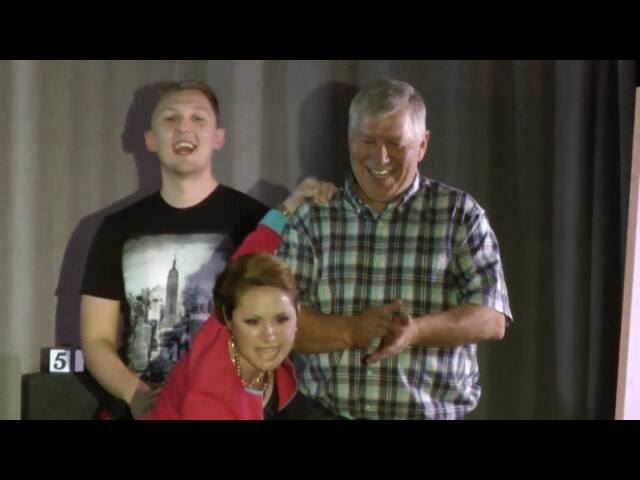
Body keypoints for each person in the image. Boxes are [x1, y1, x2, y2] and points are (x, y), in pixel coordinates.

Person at [277, 78, 513, 420]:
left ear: (423, 144)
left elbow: (491, 318)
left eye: (395, 143)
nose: (380, 157)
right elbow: (278, 320)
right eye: (367, 141)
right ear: (349, 141)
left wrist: (416, 331)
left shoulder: (459, 214)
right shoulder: (313, 217)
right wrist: (351, 331)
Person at [81, 80, 266, 419]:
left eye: (198, 118)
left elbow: (276, 329)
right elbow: (95, 339)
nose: (184, 127)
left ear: (218, 137)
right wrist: (138, 396)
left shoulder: (257, 222)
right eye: (170, 118)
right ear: (150, 140)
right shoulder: (115, 229)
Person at [144, 178, 336, 420]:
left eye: (281, 319)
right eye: (253, 322)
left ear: (297, 313)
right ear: (228, 318)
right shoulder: (209, 398)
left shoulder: (237, 294)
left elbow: (259, 242)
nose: (270, 335)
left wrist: (295, 200)